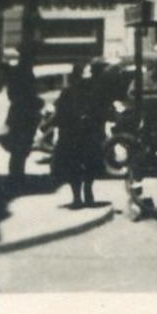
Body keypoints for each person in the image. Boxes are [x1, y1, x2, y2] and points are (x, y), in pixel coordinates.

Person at [50, 65, 102, 208]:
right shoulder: (68, 92)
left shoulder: (94, 91)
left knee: (91, 165)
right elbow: (60, 113)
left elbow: (100, 110)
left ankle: (88, 191)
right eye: (84, 73)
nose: (87, 77)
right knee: (73, 167)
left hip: (88, 133)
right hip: (72, 135)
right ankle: (77, 197)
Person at [0, 47, 43, 182]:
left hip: (19, 112)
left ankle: (17, 173)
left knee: (20, 146)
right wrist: (36, 102)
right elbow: (26, 95)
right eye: (31, 58)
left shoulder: (17, 71)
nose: (33, 61)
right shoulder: (24, 73)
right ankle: (16, 175)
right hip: (23, 113)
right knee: (21, 145)